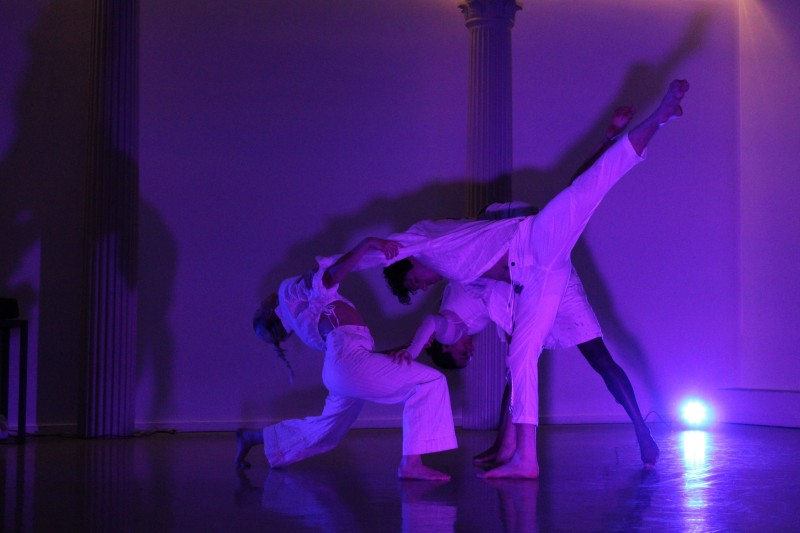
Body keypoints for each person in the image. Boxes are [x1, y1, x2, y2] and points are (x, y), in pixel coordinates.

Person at [372, 80, 690, 478]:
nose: (468, 351)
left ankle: (639, 431)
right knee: (521, 361)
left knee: (595, 357)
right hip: (534, 286)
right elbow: (457, 336)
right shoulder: (463, 300)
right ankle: (512, 450)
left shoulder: (459, 267)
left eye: (417, 282)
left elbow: (571, 195)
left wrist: (406, 345)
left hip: (543, 265)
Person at [236, 237, 457, 480]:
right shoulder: (290, 294)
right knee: (430, 383)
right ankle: (412, 464)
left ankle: (254, 437)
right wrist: (368, 244)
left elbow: (356, 359)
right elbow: (328, 278)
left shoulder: (302, 316)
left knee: (325, 430)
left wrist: (400, 348)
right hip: (347, 365)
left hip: (343, 369)